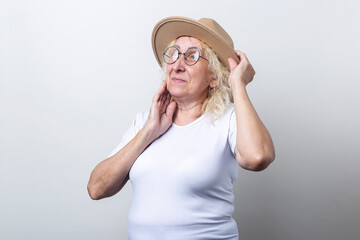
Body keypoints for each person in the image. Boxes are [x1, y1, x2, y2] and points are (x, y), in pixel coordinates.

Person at [87, 16, 275, 240]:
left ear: (213, 76)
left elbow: (257, 157)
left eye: (192, 57)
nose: (177, 65)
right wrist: (149, 132)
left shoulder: (229, 120)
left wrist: (237, 84)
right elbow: (96, 189)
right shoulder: (146, 122)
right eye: (174, 54)